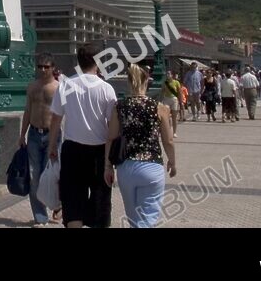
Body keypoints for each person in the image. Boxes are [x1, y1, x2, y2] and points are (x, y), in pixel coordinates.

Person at [48, 44, 117, 228]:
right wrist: (111, 161)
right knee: (100, 199)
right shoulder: (106, 89)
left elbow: (55, 118)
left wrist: (52, 145)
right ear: (98, 62)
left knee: (72, 198)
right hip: (99, 150)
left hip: (72, 149)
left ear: (78, 62)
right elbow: (112, 126)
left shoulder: (66, 84)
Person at [105, 64, 176, 227]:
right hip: (152, 166)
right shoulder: (159, 108)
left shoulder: (120, 107)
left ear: (128, 82)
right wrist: (172, 161)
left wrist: (108, 166)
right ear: (148, 81)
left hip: (126, 167)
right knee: (146, 219)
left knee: (134, 218)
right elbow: (168, 141)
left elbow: (111, 138)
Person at [20, 52, 60, 226]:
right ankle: (40, 217)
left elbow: (62, 114)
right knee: (34, 175)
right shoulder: (32, 87)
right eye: (40, 67)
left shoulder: (59, 87)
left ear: (53, 68)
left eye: (46, 67)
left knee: (51, 175)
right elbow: (28, 111)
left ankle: (57, 205)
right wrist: (22, 134)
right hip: (35, 134)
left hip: (53, 134)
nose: (43, 70)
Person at [160, 72, 180, 137]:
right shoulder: (165, 82)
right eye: (167, 74)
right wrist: (161, 100)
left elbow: (179, 92)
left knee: (174, 117)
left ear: (172, 75)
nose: (168, 75)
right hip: (166, 99)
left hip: (174, 99)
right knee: (167, 116)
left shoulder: (176, 82)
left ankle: (174, 132)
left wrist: (181, 101)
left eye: (169, 74)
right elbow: (162, 91)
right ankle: (169, 130)